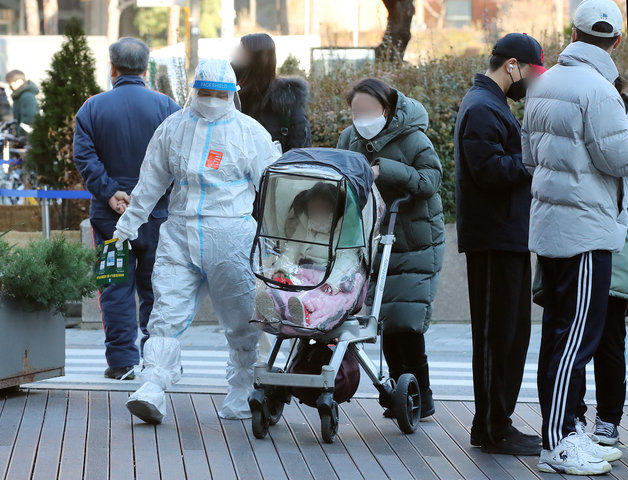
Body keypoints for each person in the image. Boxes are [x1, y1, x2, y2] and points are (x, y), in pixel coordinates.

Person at [113, 59, 280, 423]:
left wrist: (277, 241)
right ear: (194, 92)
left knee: (241, 322)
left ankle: (242, 393)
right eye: (204, 93)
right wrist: (128, 226)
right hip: (180, 234)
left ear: (233, 95)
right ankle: (152, 385)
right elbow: (150, 183)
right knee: (165, 315)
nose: (211, 100)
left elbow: (272, 189)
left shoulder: (250, 133)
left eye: (220, 94)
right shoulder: (172, 129)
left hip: (232, 235)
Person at [522, 0, 628, 474]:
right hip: (587, 231)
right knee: (577, 340)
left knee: (557, 337)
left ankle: (562, 434)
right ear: (617, 41)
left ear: (574, 32)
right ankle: (559, 440)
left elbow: (528, 158)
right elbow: (619, 161)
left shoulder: (543, 83)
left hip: (549, 228)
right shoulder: (602, 90)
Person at [454, 33, 546, 456]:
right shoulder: (483, 107)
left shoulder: (490, 105)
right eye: (531, 71)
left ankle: (493, 424)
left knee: (510, 335)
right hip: (493, 238)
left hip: (503, 237)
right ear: (512, 66)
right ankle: (493, 429)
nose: (533, 81)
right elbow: (488, 170)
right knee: (497, 337)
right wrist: (532, 156)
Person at [337, 78, 444, 420]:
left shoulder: (414, 138)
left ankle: (421, 396)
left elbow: (430, 182)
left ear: (387, 109)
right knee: (381, 318)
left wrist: (386, 170)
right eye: (357, 110)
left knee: (406, 320)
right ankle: (399, 392)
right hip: (371, 238)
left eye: (369, 110)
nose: (362, 117)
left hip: (413, 238)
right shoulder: (349, 139)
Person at [73, 38, 180, 380]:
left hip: (108, 219)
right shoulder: (168, 108)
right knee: (157, 289)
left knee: (114, 287)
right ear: (147, 69)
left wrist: (110, 193)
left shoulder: (92, 108)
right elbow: (177, 161)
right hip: (157, 216)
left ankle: (121, 361)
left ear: (112, 67)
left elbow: (84, 157)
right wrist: (149, 196)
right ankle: (156, 359)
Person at [255, 182, 365, 329]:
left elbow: (347, 259)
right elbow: (291, 250)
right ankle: (274, 310)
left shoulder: (345, 234)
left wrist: (333, 282)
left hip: (328, 280)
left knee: (333, 302)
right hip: (304, 277)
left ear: (336, 211)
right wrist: (282, 268)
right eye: (313, 211)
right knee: (282, 290)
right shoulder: (304, 228)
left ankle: (308, 318)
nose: (317, 215)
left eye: (323, 210)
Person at [231, 33, 311, 152]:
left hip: (275, 169)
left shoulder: (286, 101)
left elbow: (300, 153)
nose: (236, 56)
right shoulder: (229, 94)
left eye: (242, 52)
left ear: (256, 58)